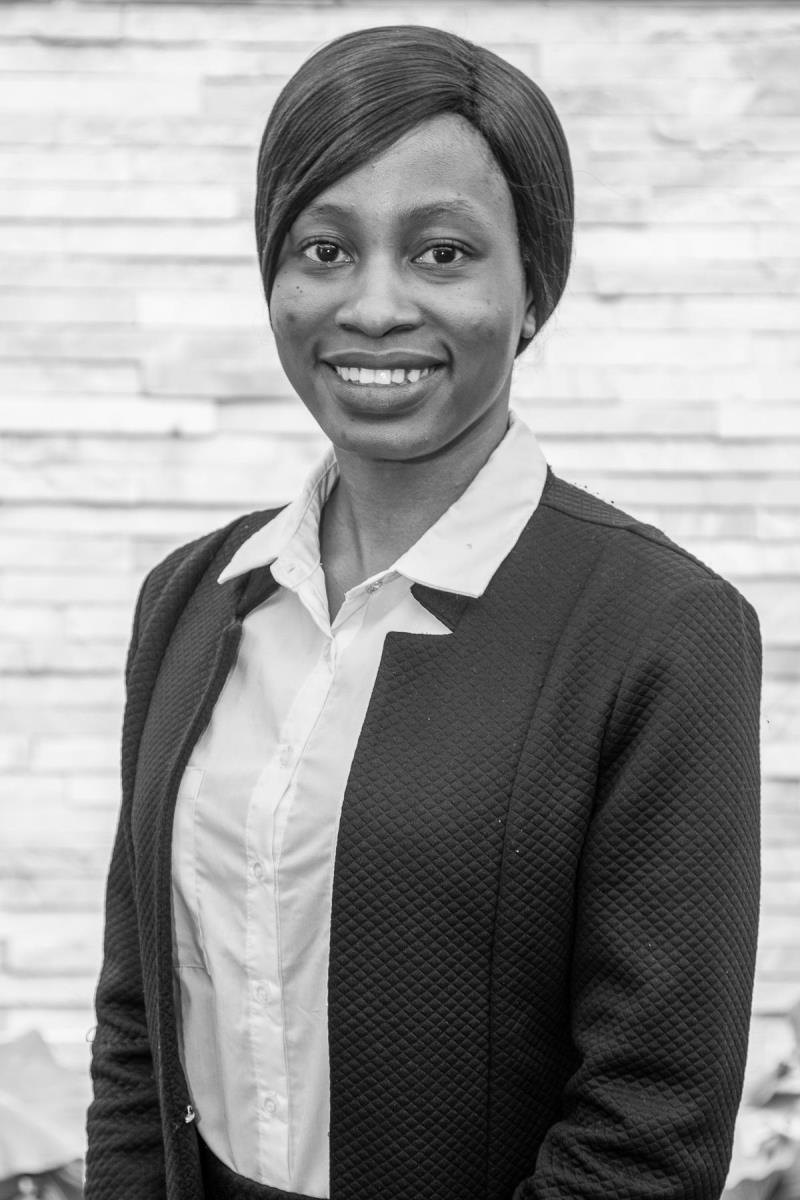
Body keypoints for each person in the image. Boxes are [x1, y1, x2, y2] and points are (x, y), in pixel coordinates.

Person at [85, 24, 761, 1200]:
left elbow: (646, 1129)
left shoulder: (658, 633)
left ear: (532, 287)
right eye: (324, 249)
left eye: (441, 252)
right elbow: (140, 1024)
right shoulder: (192, 600)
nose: (373, 305)